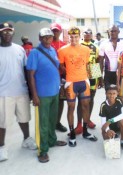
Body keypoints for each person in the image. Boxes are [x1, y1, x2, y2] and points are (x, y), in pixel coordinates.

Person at [26, 28, 67, 163]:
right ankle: (42, 150)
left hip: (54, 92)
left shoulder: (53, 50)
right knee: (42, 123)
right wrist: (34, 95)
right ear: (40, 38)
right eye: (44, 37)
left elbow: (55, 69)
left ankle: (51, 140)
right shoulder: (34, 53)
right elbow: (30, 75)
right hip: (42, 95)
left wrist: (60, 86)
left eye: (49, 36)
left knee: (52, 120)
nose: (47, 39)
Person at [0, 22, 37, 162]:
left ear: (13, 33)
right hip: (3, 93)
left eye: (9, 31)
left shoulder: (19, 50)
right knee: (2, 122)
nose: (7, 34)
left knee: (24, 118)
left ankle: (26, 140)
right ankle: (1, 147)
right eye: (4, 31)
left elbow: (27, 70)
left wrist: (31, 90)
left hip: (21, 91)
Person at [58, 26, 97, 147]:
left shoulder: (87, 49)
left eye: (76, 37)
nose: (74, 39)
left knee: (86, 106)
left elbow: (91, 64)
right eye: (71, 37)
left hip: (84, 81)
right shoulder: (62, 50)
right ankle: (72, 133)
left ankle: (85, 131)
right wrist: (65, 80)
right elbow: (61, 67)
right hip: (71, 83)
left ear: (79, 37)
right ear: (68, 37)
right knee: (71, 108)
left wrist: (96, 79)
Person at [73, 28, 98, 135]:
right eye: (86, 33)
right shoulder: (78, 45)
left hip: (93, 75)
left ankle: (87, 121)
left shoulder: (96, 47)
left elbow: (97, 62)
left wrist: (99, 79)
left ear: (92, 35)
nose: (88, 34)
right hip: (81, 75)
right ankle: (79, 124)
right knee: (81, 100)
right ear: (82, 35)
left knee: (91, 98)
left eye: (90, 33)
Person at [99, 84, 123, 152]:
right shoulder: (103, 105)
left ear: (117, 93)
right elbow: (103, 123)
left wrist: (110, 121)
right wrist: (108, 130)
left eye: (114, 93)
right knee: (108, 141)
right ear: (106, 94)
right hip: (108, 126)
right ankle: (113, 136)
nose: (111, 95)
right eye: (109, 93)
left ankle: (122, 141)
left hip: (117, 124)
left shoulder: (119, 101)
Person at [50, 22, 68, 133]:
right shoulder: (47, 44)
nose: (55, 32)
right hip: (51, 77)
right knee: (51, 100)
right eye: (53, 30)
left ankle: (57, 122)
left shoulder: (64, 45)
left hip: (61, 76)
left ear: (60, 31)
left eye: (57, 30)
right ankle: (50, 123)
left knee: (61, 100)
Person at [99, 25, 123, 89]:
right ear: (109, 32)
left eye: (115, 31)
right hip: (107, 73)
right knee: (109, 95)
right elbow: (100, 62)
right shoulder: (103, 44)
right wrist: (100, 76)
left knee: (119, 95)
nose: (113, 33)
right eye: (111, 31)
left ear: (119, 32)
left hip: (120, 73)